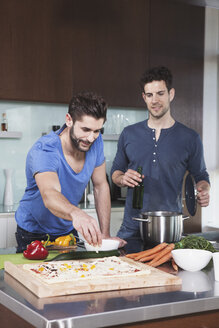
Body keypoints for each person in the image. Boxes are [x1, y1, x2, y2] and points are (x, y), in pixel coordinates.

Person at [15, 92, 126, 252]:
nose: (90, 138)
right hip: (33, 233)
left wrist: (105, 234)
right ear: (69, 120)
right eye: (86, 129)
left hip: (67, 231)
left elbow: (101, 186)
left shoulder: (96, 141)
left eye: (97, 131)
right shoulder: (45, 149)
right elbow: (50, 194)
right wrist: (77, 213)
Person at [111, 66, 210, 240]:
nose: (155, 100)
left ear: (171, 94)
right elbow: (116, 172)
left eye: (160, 93)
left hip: (170, 229)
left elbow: (201, 175)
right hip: (132, 227)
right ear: (144, 97)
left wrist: (203, 190)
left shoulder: (190, 138)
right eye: (149, 95)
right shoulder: (129, 133)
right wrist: (122, 178)